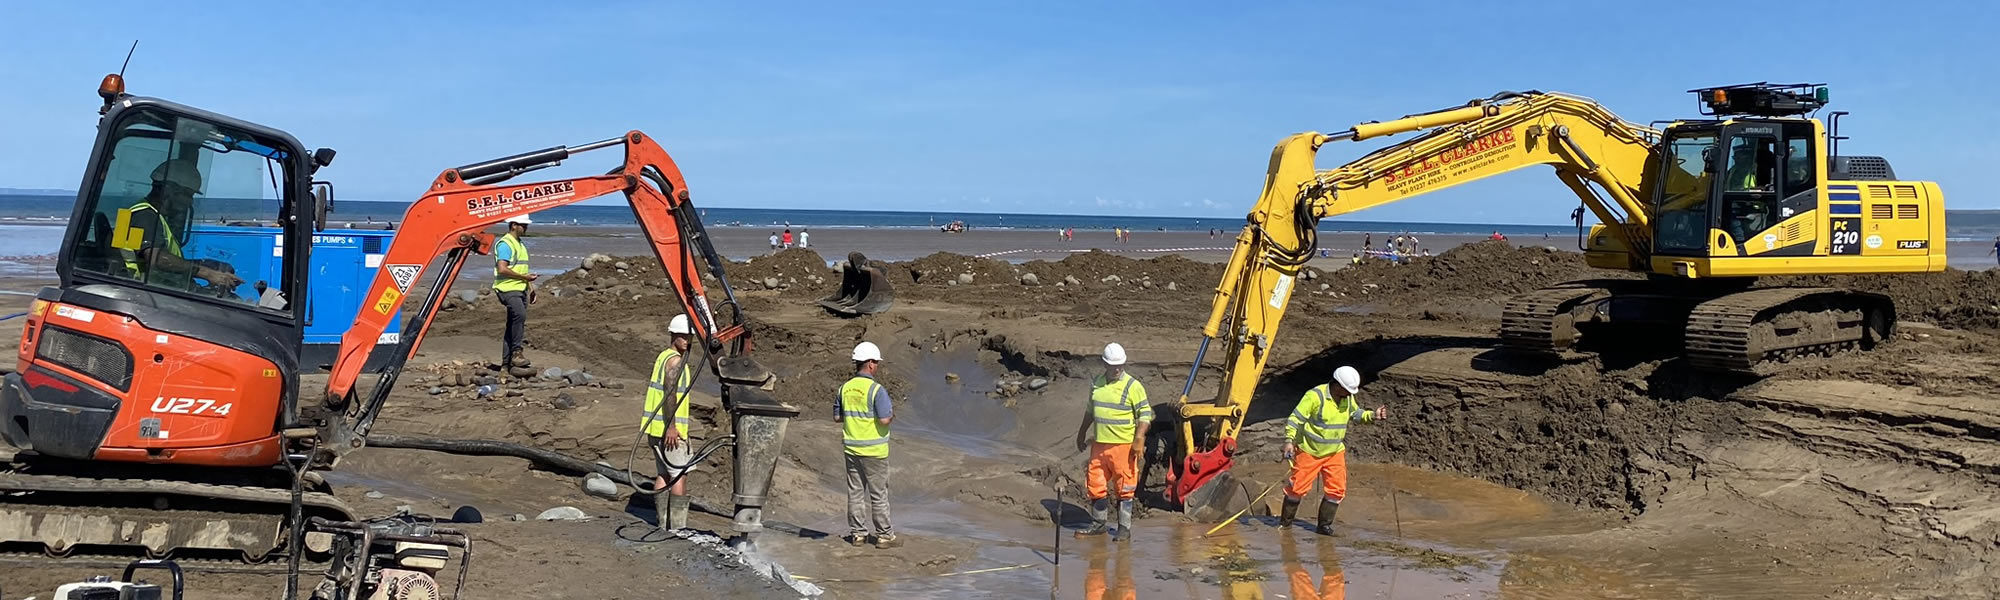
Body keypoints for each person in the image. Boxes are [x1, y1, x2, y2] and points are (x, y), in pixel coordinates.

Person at [1280, 365, 1387, 536]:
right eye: (1347, 390)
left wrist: (1372, 415)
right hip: (1309, 451)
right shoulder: (1315, 396)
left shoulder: (1347, 399)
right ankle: (1285, 525)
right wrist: (1289, 441)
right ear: (1337, 385)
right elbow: (1295, 419)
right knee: (1297, 489)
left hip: (1334, 452)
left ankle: (1324, 527)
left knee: (1336, 490)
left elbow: (1356, 414)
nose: (1350, 394)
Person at [120, 161, 245, 293]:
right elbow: (156, 260)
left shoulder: (135, 211)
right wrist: (206, 273)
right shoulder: (145, 216)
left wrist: (204, 264)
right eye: (188, 195)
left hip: (146, 285)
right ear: (169, 190)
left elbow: (136, 257)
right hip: (147, 290)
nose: (190, 202)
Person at [1074, 342, 1151, 541]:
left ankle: (1124, 529)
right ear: (1105, 364)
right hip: (1099, 445)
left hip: (1123, 447)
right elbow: (1090, 411)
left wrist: (1139, 438)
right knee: (1095, 484)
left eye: (1120, 365)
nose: (1116, 369)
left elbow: (1145, 414)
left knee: (1124, 488)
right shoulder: (1097, 384)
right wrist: (1081, 433)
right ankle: (1099, 525)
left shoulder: (1133, 386)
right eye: (1112, 365)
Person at [841, 342, 899, 548]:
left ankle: (858, 534)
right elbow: (884, 419)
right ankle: (884, 535)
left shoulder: (844, 388)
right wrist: (891, 416)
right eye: (876, 363)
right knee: (878, 495)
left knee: (855, 493)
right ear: (871, 364)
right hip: (875, 451)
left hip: (851, 449)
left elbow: (837, 417)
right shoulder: (876, 390)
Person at [643, 315, 697, 530]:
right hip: (669, 431)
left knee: (664, 474)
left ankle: (663, 523)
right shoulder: (675, 361)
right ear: (674, 335)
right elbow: (670, 393)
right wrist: (672, 427)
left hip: (655, 428)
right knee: (679, 474)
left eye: (689, 337)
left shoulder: (663, 357)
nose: (688, 341)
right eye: (684, 336)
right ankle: (677, 528)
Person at [493, 214, 536, 368]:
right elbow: (502, 269)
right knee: (519, 315)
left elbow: (523, 268)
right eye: (523, 225)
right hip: (508, 288)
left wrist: (530, 287)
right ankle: (517, 352)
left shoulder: (519, 244)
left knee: (513, 323)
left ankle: (506, 363)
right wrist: (524, 277)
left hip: (520, 288)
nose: (526, 228)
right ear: (513, 225)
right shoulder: (506, 244)